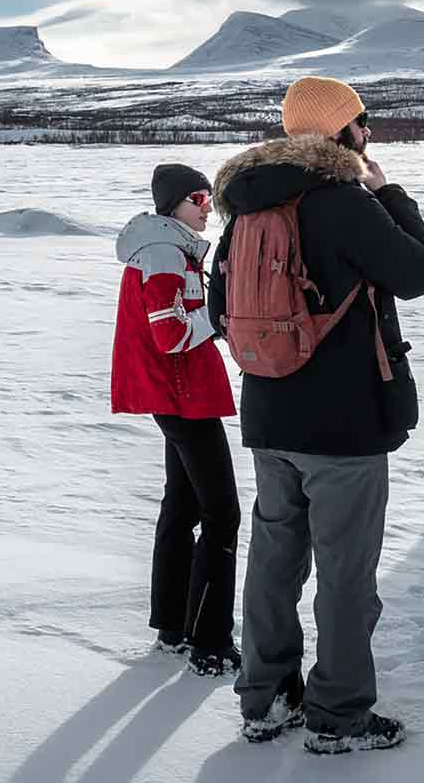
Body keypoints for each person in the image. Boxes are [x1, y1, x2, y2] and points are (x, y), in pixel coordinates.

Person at [208, 76, 424, 754]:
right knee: (345, 573)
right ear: (343, 130)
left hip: (268, 415)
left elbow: (221, 308)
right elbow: (421, 272)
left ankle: (265, 698)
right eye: (363, 122)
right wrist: (389, 194)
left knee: (274, 561)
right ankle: (337, 717)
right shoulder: (342, 200)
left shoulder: (246, 205)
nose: (369, 133)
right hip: (343, 424)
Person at [111, 163, 241, 677]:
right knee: (221, 514)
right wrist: (222, 311)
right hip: (181, 396)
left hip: (179, 396)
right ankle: (210, 642)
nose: (207, 205)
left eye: (209, 196)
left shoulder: (172, 249)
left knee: (183, 503)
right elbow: (170, 336)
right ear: (172, 205)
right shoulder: (165, 254)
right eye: (197, 197)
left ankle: (173, 626)